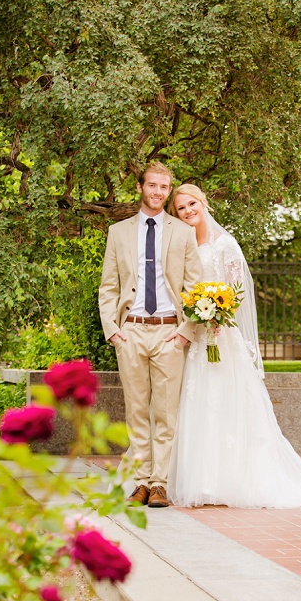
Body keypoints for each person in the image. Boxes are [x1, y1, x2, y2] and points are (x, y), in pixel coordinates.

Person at [165, 184, 301, 509]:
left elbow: (238, 291)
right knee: (196, 404)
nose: (188, 211)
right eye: (180, 208)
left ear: (204, 202)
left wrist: (219, 314)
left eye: (191, 203)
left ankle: (235, 480)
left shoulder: (225, 244)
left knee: (227, 404)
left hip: (223, 337)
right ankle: (200, 481)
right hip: (196, 339)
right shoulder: (182, 246)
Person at [99, 161, 204, 509]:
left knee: (166, 412)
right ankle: (140, 483)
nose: (159, 192)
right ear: (141, 187)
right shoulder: (119, 232)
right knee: (136, 411)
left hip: (169, 333)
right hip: (130, 332)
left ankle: (159, 483)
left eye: (164, 187)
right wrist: (113, 330)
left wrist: (185, 332)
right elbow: (108, 288)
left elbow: (195, 287)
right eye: (153, 185)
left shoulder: (183, 232)